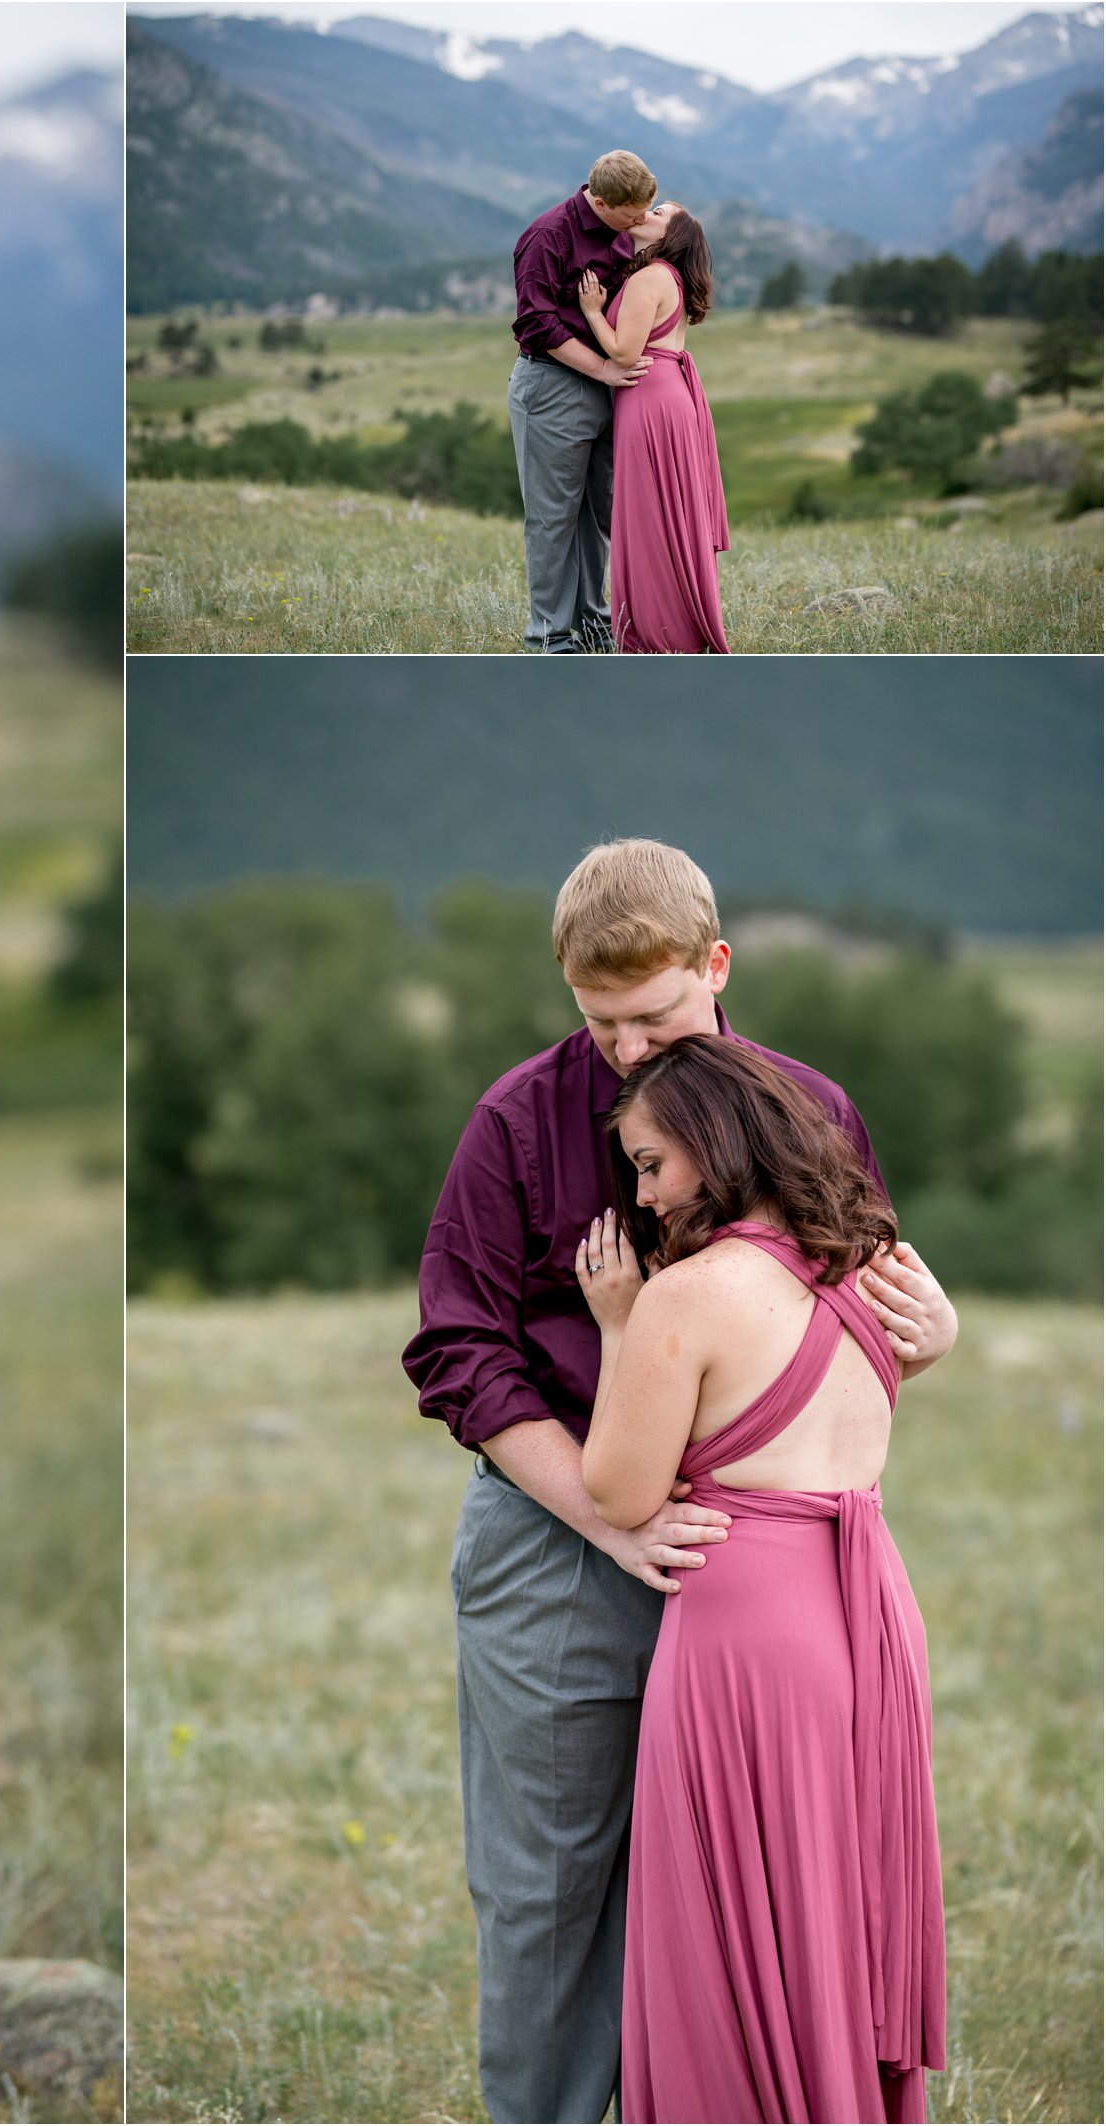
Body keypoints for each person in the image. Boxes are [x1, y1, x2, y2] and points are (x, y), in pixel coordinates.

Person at [401, 837, 957, 2124]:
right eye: (597, 1024)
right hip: (555, 1535)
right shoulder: (513, 1119)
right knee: (547, 1891)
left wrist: (931, 1337)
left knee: (749, 1889)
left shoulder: (807, 1110)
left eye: (652, 1016)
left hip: (761, 1564)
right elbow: (458, 1348)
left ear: (716, 966)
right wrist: (607, 1513)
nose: (626, 1053)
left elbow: (838, 1328)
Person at [576, 1036, 947, 2122]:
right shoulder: (867, 1261)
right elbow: (895, 1366)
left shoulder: (684, 1295)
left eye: (648, 1162)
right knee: (832, 1901)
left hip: (748, 1631)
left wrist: (614, 1325)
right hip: (869, 1607)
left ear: (707, 1139)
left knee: (728, 1922)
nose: (639, 1196)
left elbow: (618, 1491)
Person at [508, 150, 659, 654]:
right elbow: (535, 322)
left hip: (607, 388)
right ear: (599, 201)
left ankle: (594, 624)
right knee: (554, 516)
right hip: (552, 385)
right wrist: (604, 369)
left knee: (598, 512)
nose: (640, 224)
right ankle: (548, 636)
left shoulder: (624, 230)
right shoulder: (546, 236)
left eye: (646, 212)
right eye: (632, 215)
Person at [576, 201, 731, 652]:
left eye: (660, 212)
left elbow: (624, 354)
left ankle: (660, 631)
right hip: (667, 395)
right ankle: (673, 622)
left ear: (673, 235)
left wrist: (590, 311)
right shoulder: (670, 277)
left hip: (649, 397)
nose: (648, 211)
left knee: (649, 514)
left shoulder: (650, 277)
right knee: (668, 514)